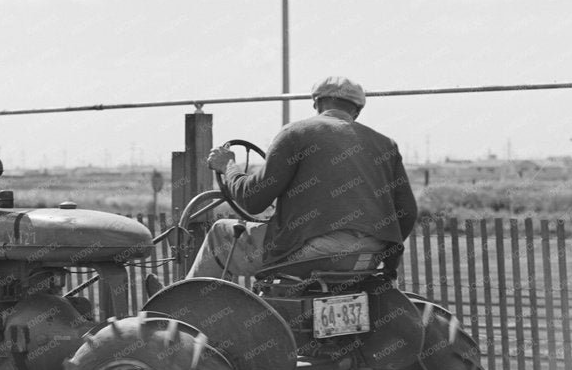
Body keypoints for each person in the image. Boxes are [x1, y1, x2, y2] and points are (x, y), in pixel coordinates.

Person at [179, 76, 417, 282]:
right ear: (357, 110)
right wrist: (386, 258)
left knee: (221, 233)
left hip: (313, 253)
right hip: (369, 255)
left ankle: (186, 314)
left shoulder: (296, 133)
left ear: (317, 102)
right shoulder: (385, 144)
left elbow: (253, 200)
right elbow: (407, 212)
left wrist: (227, 166)